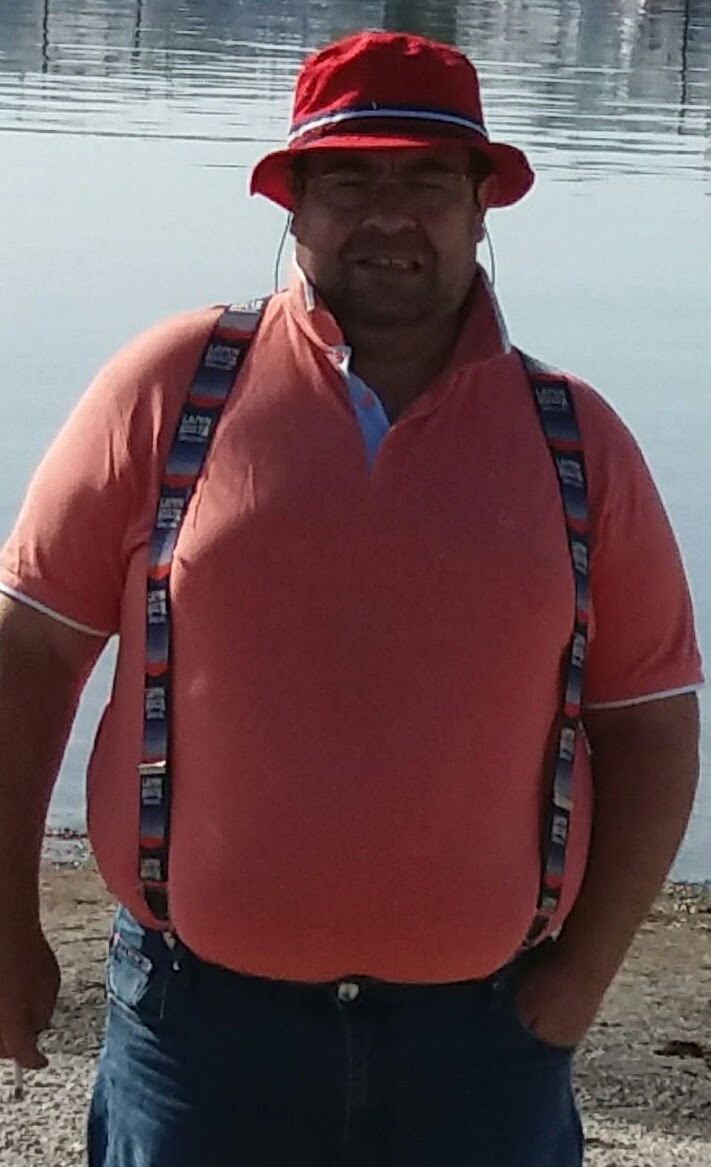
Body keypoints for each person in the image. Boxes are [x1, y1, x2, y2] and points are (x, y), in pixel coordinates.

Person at [0, 28, 702, 1167]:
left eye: (425, 182)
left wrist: (579, 982)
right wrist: (7, 919)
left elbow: (653, 725)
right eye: (349, 182)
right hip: (197, 1040)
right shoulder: (171, 389)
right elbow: (28, 654)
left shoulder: (577, 442)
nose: (389, 217)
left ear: (481, 205)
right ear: (293, 206)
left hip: (484, 1050)